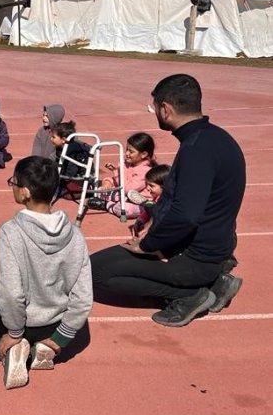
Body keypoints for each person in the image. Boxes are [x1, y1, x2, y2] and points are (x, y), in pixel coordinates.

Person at [90, 74, 246, 327]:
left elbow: (186, 215)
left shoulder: (196, 149)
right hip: (209, 246)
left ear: (166, 109)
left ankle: (190, 295)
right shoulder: (218, 138)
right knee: (104, 263)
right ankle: (216, 280)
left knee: (94, 273)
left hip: (194, 256)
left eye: (155, 109)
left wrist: (150, 245)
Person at [0, 156, 93, 389]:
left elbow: (11, 292)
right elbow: (83, 297)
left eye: (14, 183)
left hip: (18, 321)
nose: (13, 187)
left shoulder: (11, 232)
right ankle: (46, 346)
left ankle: (16, 350)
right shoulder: (76, 236)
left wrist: (15, 333)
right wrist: (62, 337)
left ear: (26, 192)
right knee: (57, 334)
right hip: (54, 324)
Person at [88, 132, 156, 218]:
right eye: (127, 149)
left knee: (126, 209)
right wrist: (107, 183)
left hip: (137, 203)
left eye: (131, 151)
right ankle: (105, 198)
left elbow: (128, 189)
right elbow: (116, 180)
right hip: (122, 195)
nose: (127, 153)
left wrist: (117, 171)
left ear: (143, 154)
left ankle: (108, 205)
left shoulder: (145, 171)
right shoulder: (127, 164)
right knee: (99, 190)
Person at [129, 163, 170, 238]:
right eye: (147, 184)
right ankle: (146, 203)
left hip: (165, 226)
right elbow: (148, 213)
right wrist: (141, 219)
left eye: (151, 185)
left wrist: (147, 228)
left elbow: (157, 217)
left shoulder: (168, 201)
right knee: (150, 207)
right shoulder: (157, 197)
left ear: (164, 186)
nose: (147, 188)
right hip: (156, 218)